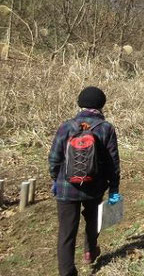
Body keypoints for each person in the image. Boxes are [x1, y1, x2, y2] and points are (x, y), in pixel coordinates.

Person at [48, 86, 121, 276]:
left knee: (66, 232)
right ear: (101, 105)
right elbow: (113, 163)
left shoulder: (66, 126)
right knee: (93, 221)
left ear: (80, 104)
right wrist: (114, 188)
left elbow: (54, 158)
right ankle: (90, 251)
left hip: (66, 188)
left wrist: (56, 179)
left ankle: (67, 272)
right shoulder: (106, 128)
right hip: (94, 187)